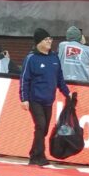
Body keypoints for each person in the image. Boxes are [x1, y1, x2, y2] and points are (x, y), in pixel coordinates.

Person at [20, 28, 72, 167]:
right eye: (46, 39)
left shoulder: (54, 58)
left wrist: (67, 93)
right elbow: (24, 79)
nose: (50, 41)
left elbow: (60, 78)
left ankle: (34, 153)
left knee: (44, 129)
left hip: (49, 100)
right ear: (39, 42)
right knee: (40, 125)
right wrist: (24, 98)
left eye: (50, 39)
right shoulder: (31, 58)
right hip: (34, 99)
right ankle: (39, 157)